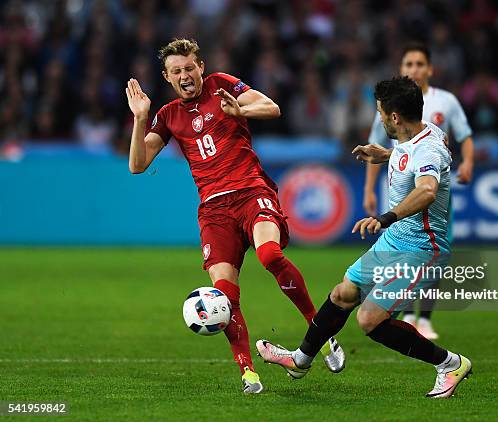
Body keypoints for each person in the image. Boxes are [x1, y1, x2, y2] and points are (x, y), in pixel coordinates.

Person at [125, 38, 344, 394]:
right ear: (167, 77)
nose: (185, 75)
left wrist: (242, 112)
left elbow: (271, 108)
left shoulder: (222, 85)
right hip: (214, 210)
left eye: (189, 68)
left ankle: (322, 333)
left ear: (201, 67)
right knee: (223, 294)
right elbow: (137, 165)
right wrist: (139, 119)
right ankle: (249, 374)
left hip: (251, 191)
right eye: (176, 71)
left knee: (270, 255)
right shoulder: (167, 116)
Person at [257, 77, 472, 399]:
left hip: (421, 249)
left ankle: (450, 364)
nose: (379, 118)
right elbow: (420, 156)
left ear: (395, 117)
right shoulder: (422, 135)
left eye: (381, 112)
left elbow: (427, 189)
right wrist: (388, 154)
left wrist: (384, 218)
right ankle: (300, 360)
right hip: (396, 242)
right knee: (344, 293)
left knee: (370, 319)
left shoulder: (427, 148)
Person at [363, 42, 474, 339]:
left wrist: (468, 162)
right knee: (405, 247)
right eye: (408, 64)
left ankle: (423, 316)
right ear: (402, 69)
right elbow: (380, 149)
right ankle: (404, 312)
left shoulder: (445, 102)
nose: (414, 69)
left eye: (419, 64)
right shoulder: (387, 107)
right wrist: (369, 188)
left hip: (433, 184)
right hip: (402, 185)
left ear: (429, 69)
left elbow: (463, 136)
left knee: (431, 249)